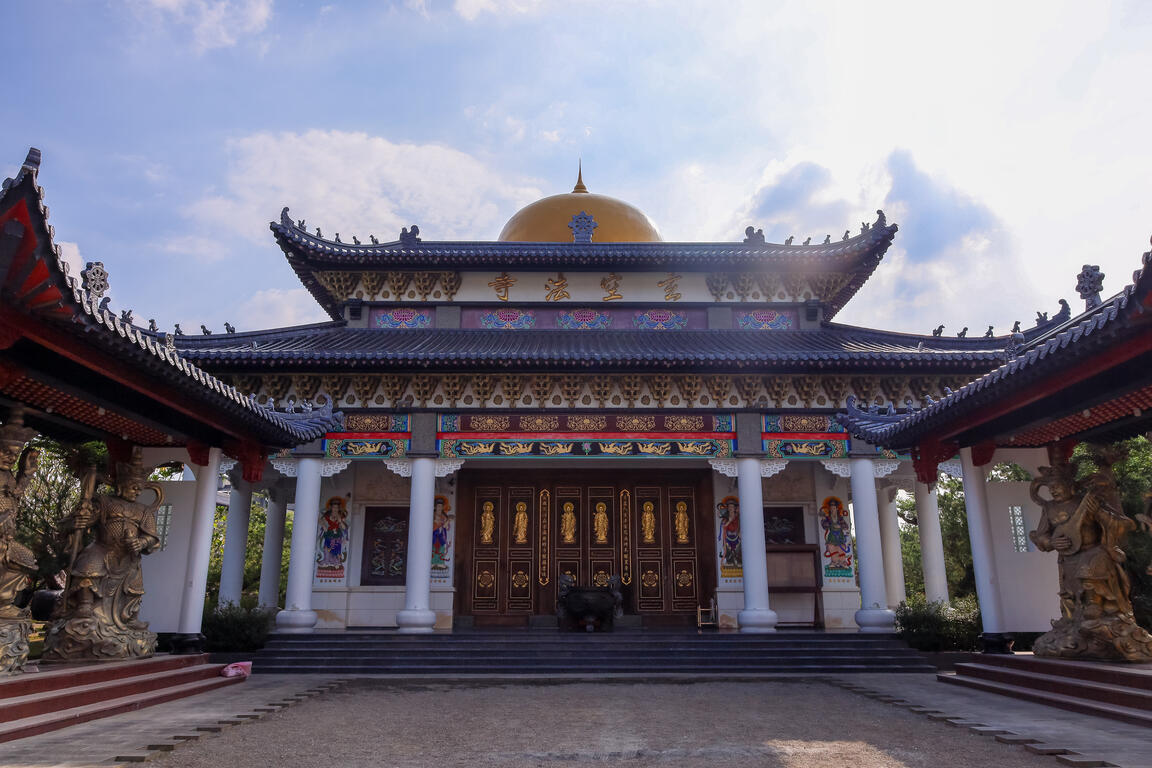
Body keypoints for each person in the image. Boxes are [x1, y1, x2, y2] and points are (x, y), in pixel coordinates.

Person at [1029, 454, 1152, 661]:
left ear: (1070, 485)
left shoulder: (1086, 502)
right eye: (1051, 487)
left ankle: (1099, 608)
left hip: (1094, 552)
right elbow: (1041, 535)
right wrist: (1051, 543)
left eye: (1058, 485)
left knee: (1092, 568)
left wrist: (1100, 514)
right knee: (1071, 596)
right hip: (1068, 559)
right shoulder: (1049, 509)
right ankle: (1075, 622)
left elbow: (1118, 523)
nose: (1054, 490)